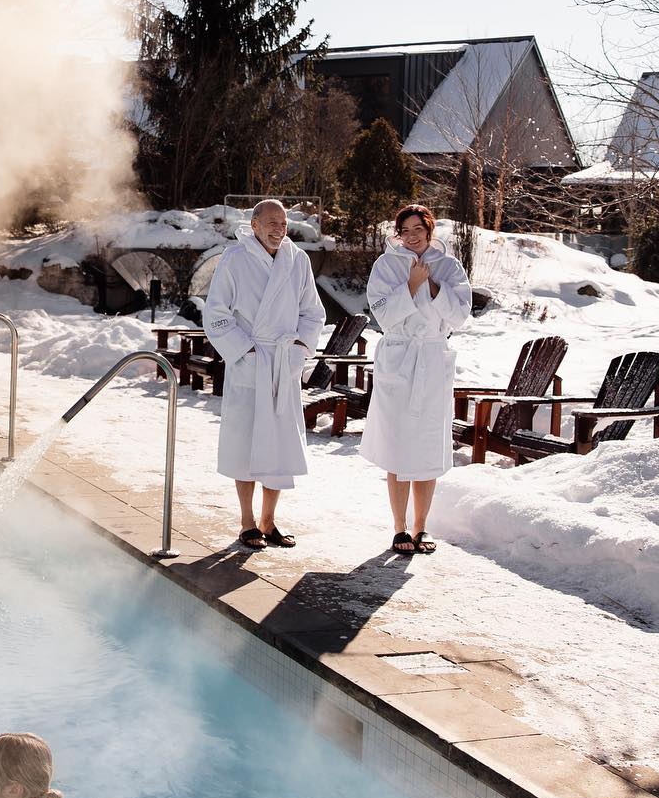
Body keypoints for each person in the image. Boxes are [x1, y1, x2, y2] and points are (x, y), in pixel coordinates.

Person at [202, 199, 327, 549]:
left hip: (283, 362)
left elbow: (313, 313)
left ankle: (268, 521)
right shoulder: (234, 259)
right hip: (251, 360)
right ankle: (247, 521)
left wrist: (299, 350)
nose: (279, 228)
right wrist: (246, 352)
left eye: (283, 223)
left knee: (279, 444)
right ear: (254, 224)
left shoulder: (297, 260)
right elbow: (216, 315)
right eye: (271, 222)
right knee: (245, 442)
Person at [358, 204, 472, 555]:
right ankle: (399, 528)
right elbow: (382, 315)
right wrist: (411, 284)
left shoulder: (449, 266)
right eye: (405, 231)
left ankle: (422, 527)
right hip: (400, 359)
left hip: (432, 360)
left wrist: (433, 287)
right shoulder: (386, 264)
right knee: (397, 444)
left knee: (427, 445)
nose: (411, 236)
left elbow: (461, 314)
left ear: (429, 229)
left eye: (417, 229)